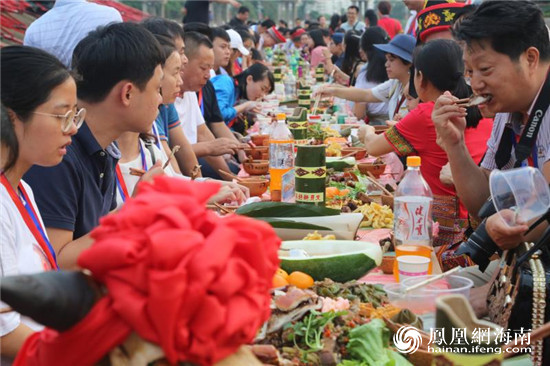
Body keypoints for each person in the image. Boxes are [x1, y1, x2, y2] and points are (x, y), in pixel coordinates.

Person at [23, 23, 165, 270]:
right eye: (157, 88)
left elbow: (97, 231)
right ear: (128, 94)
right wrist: (134, 211)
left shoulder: (104, 148)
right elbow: (56, 260)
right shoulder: (59, 152)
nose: (161, 100)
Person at [431, 1, 550, 259]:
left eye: (485, 70)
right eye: (469, 72)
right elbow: (483, 200)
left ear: (530, 58)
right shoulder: (507, 107)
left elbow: (543, 218)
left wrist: (503, 223)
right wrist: (454, 144)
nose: (474, 84)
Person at [358, 39, 489, 250]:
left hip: (443, 231)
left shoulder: (427, 112)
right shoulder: (482, 109)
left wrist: (366, 131)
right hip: (478, 226)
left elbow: (373, 148)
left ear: (420, 77)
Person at [0, 46, 79, 363]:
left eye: (76, 116)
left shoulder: (24, 190)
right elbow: (4, 333)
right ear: (12, 116)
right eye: (62, 116)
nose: (72, 128)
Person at [116, 37, 247, 207]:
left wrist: (209, 187)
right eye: (177, 70)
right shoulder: (95, 153)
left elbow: (171, 179)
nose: (180, 80)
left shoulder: (147, 135)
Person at [175, 31, 246, 180]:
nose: (208, 75)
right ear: (184, 62)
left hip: (191, 170)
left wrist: (231, 178)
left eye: (210, 69)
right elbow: (171, 152)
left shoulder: (189, 92)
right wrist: (210, 148)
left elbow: (203, 134)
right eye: (203, 68)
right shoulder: (166, 99)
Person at [141, 17, 200, 177]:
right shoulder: (146, 114)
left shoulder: (165, 103)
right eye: (180, 51)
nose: (185, 59)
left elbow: (178, 163)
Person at [316, 34, 416, 122]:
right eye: (387, 60)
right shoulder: (395, 83)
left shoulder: (417, 91)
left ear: (408, 63)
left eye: (391, 60)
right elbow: (366, 94)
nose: (386, 64)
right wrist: (332, 91)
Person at [23, 0, 122, 68]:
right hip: (97, 91)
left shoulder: (34, 30)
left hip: (53, 92)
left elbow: (32, 72)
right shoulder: (110, 15)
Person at [212, 63, 274, 128]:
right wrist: (245, 106)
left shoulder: (237, 94)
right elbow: (218, 115)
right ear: (249, 79)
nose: (262, 95)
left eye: (266, 93)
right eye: (262, 89)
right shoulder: (225, 82)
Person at [354, 26, 390, 125]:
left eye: (361, 47)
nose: (360, 50)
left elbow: (359, 114)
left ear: (367, 49)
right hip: (397, 126)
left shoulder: (365, 75)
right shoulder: (394, 69)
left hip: (375, 128)